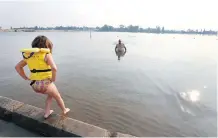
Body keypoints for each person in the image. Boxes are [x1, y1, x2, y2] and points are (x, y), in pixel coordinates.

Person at [15, 35, 70, 118]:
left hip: (34, 85)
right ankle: (64, 110)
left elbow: (17, 67)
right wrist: (53, 79)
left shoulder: (28, 56)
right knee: (58, 96)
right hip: (46, 84)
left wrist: (25, 77)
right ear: (47, 46)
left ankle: (47, 113)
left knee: (50, 96)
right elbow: (54, 68)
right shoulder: (46, 55)